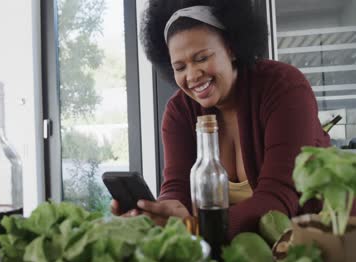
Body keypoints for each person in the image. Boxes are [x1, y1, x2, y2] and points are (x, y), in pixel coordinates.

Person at [111, 0, 332, 239]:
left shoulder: (283, 87)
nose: (192, 75)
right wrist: (158, 214)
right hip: (240, 249)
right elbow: (177, 188)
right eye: (179, 67)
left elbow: (279, 198)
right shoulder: (179, 112)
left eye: (202, 58)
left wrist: (194, 228)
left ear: (232, 48)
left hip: (317, 241)